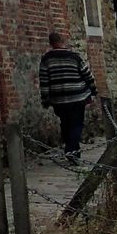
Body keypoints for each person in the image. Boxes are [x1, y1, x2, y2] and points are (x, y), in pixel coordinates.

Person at [39, 30, 97, 163]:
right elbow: (87, 74)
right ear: (62, 41)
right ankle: (72, 150)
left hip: (59, 99)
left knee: (65, 123)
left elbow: (44, 81)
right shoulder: (74, 57)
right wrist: (93, 90)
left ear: (51, 43)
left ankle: (71, 149)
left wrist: (45, 99)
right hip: (77, 96)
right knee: (77, 124)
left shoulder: (46, 59)